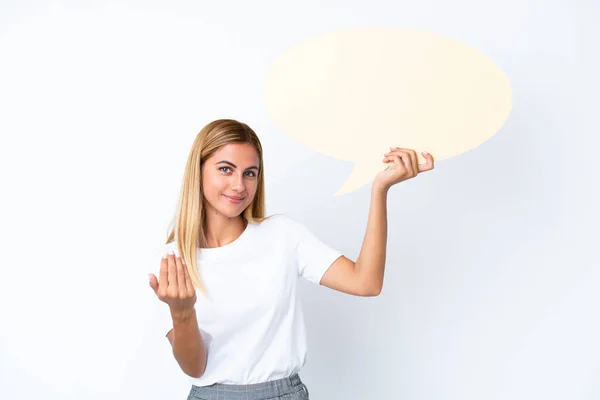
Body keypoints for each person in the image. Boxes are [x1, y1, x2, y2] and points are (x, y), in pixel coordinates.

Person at [148, 119, 434, 399]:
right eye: (226, 169)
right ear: (197, 172)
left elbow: (366, 283)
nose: (239, 185)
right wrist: (182, 312)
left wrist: (380, 189)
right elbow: (195, 369)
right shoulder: (172, 260)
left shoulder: (282, 235)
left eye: (250, 173)